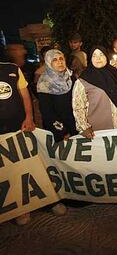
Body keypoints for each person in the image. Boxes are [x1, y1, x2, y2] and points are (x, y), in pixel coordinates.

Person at [0, 61, 36, 225]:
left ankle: (26, 207)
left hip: (17, 127)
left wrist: (29, 117)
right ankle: (10, 208)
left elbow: (25, 95)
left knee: (22, 166)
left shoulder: (12, 68)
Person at [72, 46, 117, 138]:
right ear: (90, 59)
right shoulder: (84, 80)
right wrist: (84, 127)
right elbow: (78, 106)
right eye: (94, 55)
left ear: (106, 57)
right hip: (97, 129)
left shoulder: (114, 73)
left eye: (101, 54)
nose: (98, 58)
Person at [37, 49, 77, 142]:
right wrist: (62, 132)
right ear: (48, 63)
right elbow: (47, 112)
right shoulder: (44, 83)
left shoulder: (70, 77)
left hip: (75, 124)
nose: (59, 62)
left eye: (61, 59)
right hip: (58, 128)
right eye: (54, 60)